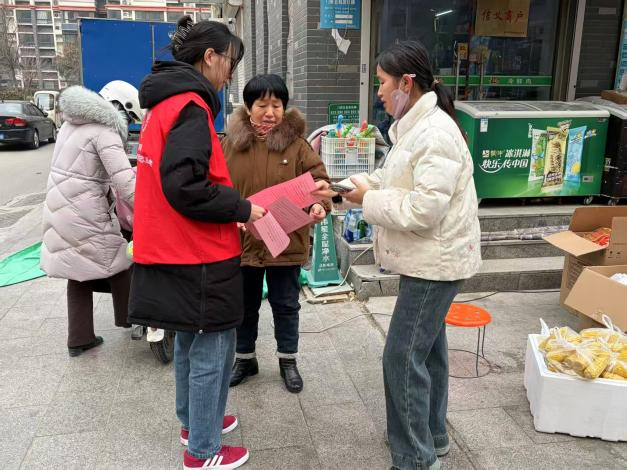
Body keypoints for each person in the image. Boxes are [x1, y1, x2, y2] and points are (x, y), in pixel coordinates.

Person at [127, 16, 265, 470]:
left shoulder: (164, 102)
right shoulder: (191, 106)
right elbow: (186, 185)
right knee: (212, 349)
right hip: (198, 252)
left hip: (172, 247)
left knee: (190, 342)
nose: (230, 74)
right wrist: (240, 208)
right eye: (230, 63)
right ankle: (203, 450)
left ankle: (194, 423)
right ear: (209, 57)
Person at [337, 41, 482, 470]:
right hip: (430, 257)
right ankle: (432, 436)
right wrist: (347, 189)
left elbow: (424, 209)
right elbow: (390, 179)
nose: (378, 92)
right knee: (428, 350)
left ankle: (414, 458)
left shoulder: (434, 133)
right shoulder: (413, 127)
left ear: (406, 83)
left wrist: (367, 200)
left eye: (382, 82)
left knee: (401, 357)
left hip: (435, 263)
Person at [222, 74, 331, 394]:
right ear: (248, 108)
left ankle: (288, 361)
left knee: (286, 305)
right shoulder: (229, 145)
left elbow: (321, 183)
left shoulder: (298, 146)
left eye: (277, 105)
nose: (270, 113)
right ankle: (245, 359)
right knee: (244, 306)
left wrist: (320, 205)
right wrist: (228, 213)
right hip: (243, 241)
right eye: (262, 105)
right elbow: (217, 188)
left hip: (286, 241)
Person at [40, 82, 140, 357]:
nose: (128, 124)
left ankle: (79, 338)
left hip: (60, 208)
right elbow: (126, 184)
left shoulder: (70, 124)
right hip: (84, 210)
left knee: (77, 269)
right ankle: (130, 318)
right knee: (122, 258)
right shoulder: (105, 132)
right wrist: (151, 209)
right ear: (120, 108)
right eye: (129, 118)